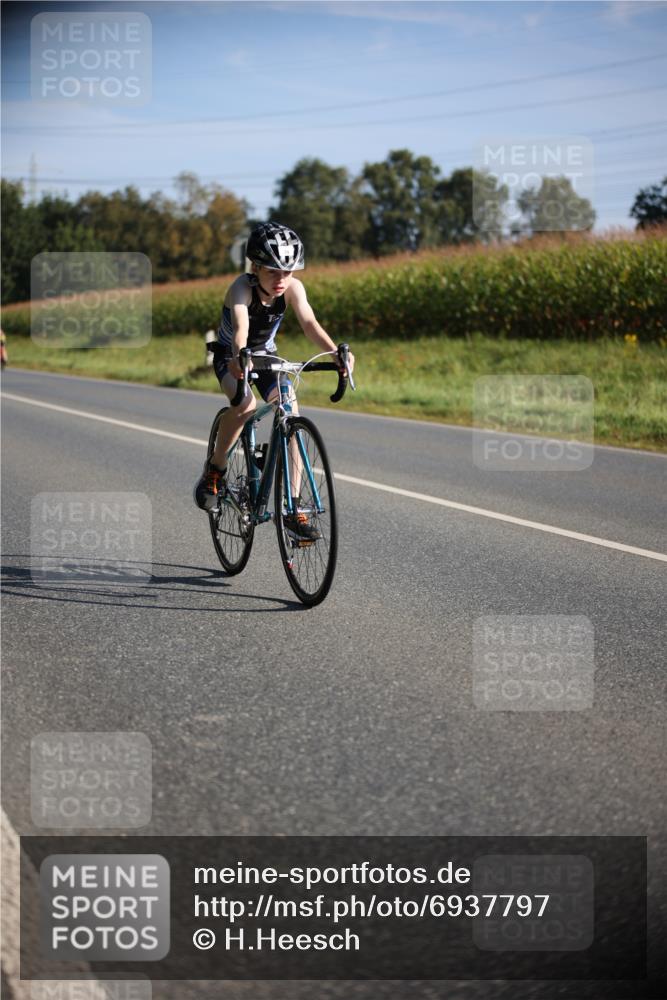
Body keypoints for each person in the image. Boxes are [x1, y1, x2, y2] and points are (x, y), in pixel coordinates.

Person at [194, 222, 354, 539]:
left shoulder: (293, 288)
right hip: (231, 355)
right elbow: (240, 327)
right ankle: (216, 468)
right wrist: (240, 356)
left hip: (267, 358)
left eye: (288, 272)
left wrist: (335, 352)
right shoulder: (241, 287)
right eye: (273, 272)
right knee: (245, 405)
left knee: (290, 410)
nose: (281, 280)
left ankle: (293, 508)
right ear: (255, 267)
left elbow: (309, 323)